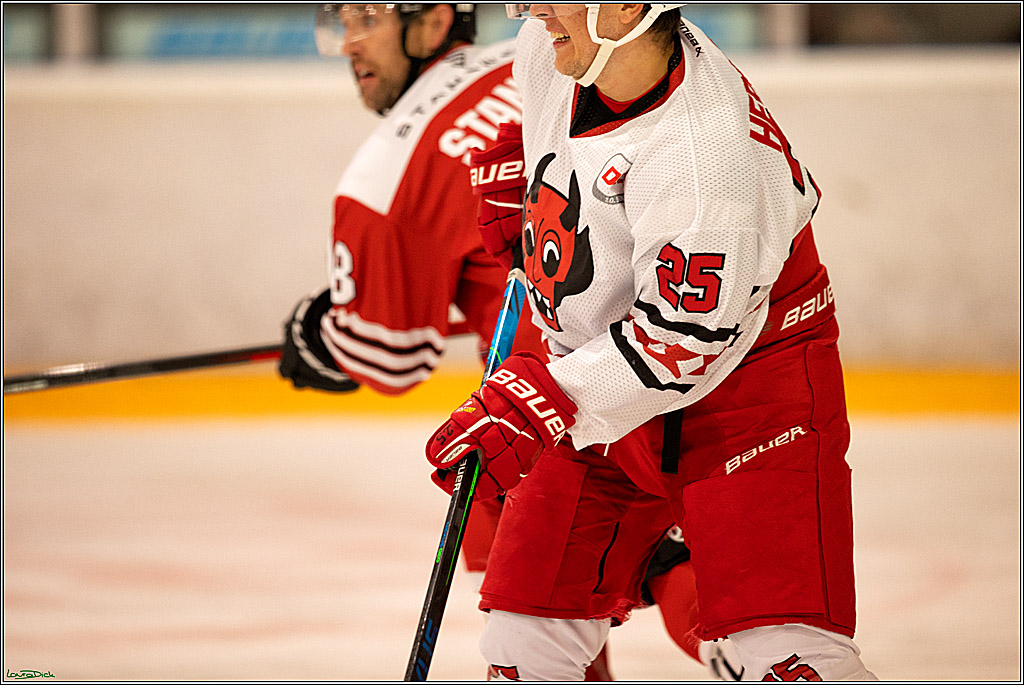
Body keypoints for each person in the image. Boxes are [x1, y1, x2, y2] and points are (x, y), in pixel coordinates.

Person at [426, 3, 877, 681]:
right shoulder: (557, 49)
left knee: (784, 659)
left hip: (750, 395)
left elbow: (677, 345)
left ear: (630, 8)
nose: (534, 9)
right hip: (600, 370)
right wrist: (529, 192)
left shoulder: (707, 161)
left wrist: (539, 401)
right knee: (524, 639)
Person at [277, 4, 714, 680]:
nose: (346, 44)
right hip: (680, 357)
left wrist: (326, 338)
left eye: (366, 16)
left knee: (536, 587)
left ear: (431, 22)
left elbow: (390, 355)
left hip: (560, 398)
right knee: (670, 576)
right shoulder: (554, 54)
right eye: (339, 19)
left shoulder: (387, 173)